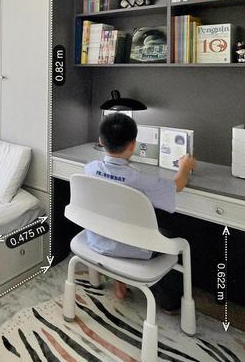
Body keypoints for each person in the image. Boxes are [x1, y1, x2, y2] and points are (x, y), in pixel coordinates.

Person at [83, 112, 196, 310]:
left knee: (119, 221)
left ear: (100, 141)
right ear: (133, 145)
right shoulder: (140, 180)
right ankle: (170, 304)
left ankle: (120, 281)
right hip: (132, 249)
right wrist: (184, 168)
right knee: (169, 236)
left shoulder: (90, 169)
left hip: (98, 241)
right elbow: (177, 185)